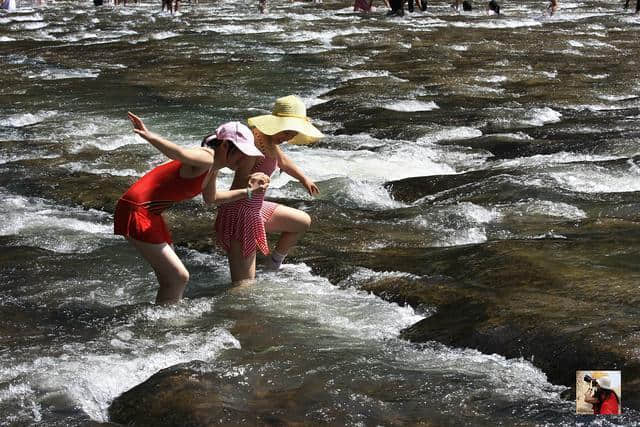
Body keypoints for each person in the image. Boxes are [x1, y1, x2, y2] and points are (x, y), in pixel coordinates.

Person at [115, 113, 269, 304]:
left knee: (173, 279)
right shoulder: (205, 157)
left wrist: (248, 192)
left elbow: (212, 199)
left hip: (151, 213)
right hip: (137, 211)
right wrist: (149, 135)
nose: (245, 158)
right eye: (242, 152)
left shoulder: (212, 168)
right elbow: (178, 153)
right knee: (178, 277)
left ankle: (164, 319)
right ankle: (163, 323)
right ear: (225, 146)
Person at [214, 95, 324, 284]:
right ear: (276, 125)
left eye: (292, 135)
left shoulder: (270, 142)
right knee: (244, 286)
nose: (288, 138)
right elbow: (241, 179)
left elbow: (282, 161)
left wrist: (303, 178)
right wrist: (252, 180)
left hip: (255, 208)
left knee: (301, 221)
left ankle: (273, 265)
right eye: (286, 133)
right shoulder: (253, 146)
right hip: (240, 214)